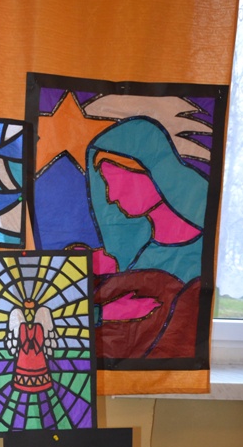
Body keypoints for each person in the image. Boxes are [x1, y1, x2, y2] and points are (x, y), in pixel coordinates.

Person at [84, 115, 208, 359]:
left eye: (117, 181)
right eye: (106, 184)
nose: (111, 196)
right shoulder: (133, 253)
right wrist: (103, 311)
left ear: (152, 173)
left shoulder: (201, 253)